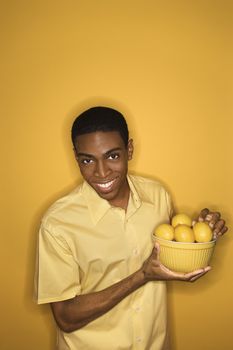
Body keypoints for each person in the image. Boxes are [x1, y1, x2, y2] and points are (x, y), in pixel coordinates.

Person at [35, 106, 227, 350]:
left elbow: (173, 252)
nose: (101, 172)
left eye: (113, 156)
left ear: (129, 150)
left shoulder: (158, 195)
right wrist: (141, 276)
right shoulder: (58, 223)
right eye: (87, 160)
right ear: (76, 157)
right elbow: (65, 317)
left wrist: (204, 233)